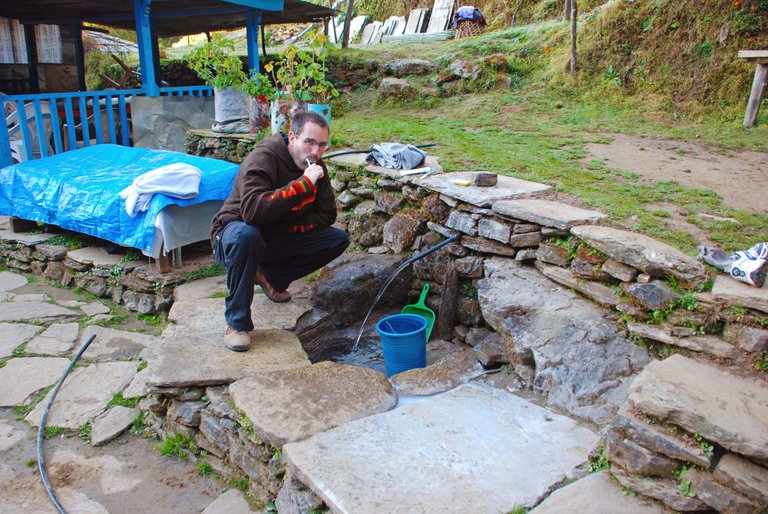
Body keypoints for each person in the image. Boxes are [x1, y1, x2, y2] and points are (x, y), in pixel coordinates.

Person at [210, 110, 349, 351]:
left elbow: (327, 215)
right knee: (247, 234)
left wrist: (283, 219)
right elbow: (252, 213)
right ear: (293, 137)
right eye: (309, 142)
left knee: (336, 239)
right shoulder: (263, 158)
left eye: (322, 145)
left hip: (269, 235)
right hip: (231, 234)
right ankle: (237, 323)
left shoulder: (316, 166)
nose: (315, 151)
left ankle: (268, 277)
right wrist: (303, 186)